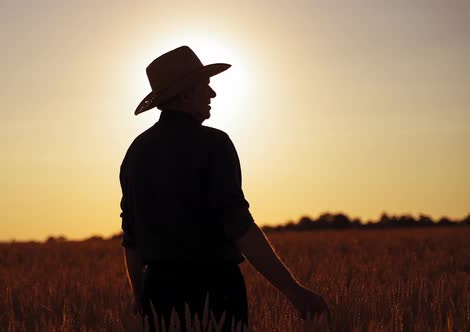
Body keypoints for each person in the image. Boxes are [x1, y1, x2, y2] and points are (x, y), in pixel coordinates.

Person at [119, 46, 328, 331]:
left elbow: (130, 238)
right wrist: (294, 291)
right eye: (206, 86)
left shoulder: (135, 153)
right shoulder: (214, 144)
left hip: (158, 298)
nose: (212, 95)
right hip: (214, 294)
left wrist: (140, 296)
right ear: (185, 94)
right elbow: (239, 225)